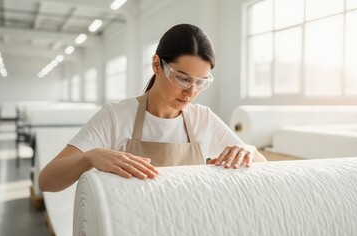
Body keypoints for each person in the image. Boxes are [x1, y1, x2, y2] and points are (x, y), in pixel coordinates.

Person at [39, 24, 267, 192]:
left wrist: (249, 150)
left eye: (201, 83)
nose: (191, 92)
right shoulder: (116, 116)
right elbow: (47, 181)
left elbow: (266, 172)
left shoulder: (203, 119)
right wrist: (89, 158)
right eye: (183, 79)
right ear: (157, 65)